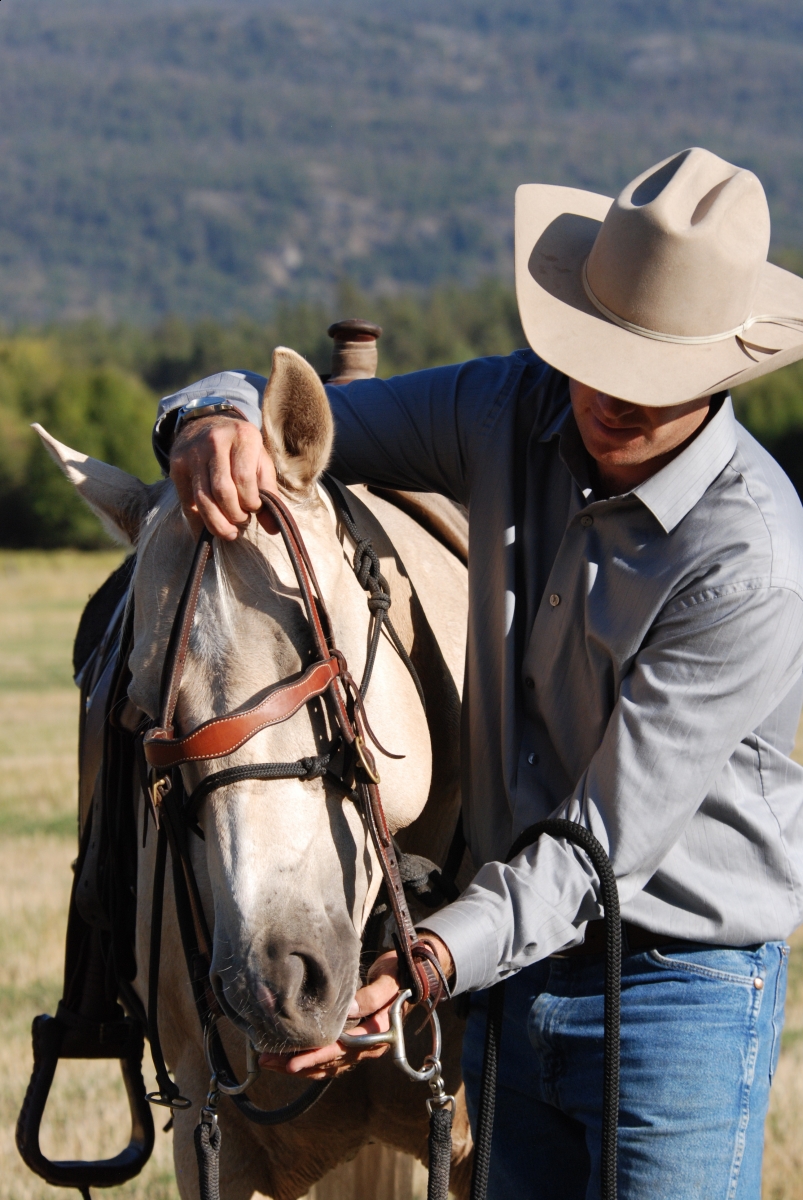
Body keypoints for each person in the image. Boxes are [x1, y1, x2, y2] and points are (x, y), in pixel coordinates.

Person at [155, 148, 803, 1199]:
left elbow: (597, 847)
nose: (613, 397)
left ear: (722, 371)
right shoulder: (514, 405)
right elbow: (281, 417)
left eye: (657, 380)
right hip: (511, 965)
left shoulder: (747, 563)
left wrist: (423, 966)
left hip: (675, 990)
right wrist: (208, 420)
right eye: (599, 355)